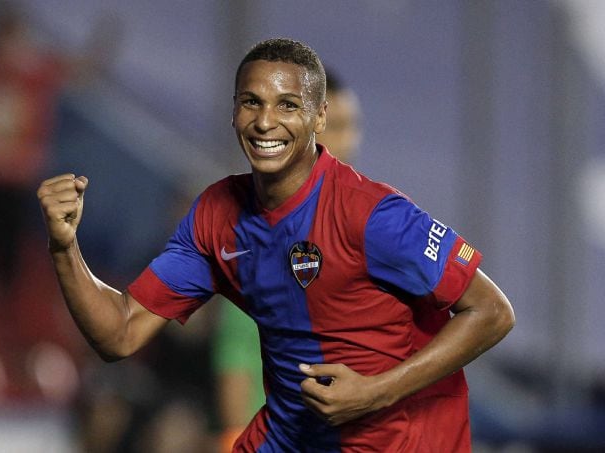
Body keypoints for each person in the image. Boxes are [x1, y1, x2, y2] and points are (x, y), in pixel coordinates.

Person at [37, 38, 515, 451]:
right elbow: (119, 333)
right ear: (233, 112)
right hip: (290, 437)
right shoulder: (216, 215)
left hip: (404, 440)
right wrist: (65, 247)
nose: (266, 121)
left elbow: (492, 312)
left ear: (319, 116)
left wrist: (378, 392)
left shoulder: (374, 214)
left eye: (287, 105)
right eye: (251, 102)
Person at [211, 68, 362, 452]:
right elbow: (237, 355)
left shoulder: (369, 226)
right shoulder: (258, 238)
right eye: (337, 126)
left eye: (352, 126)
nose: (349, 142)